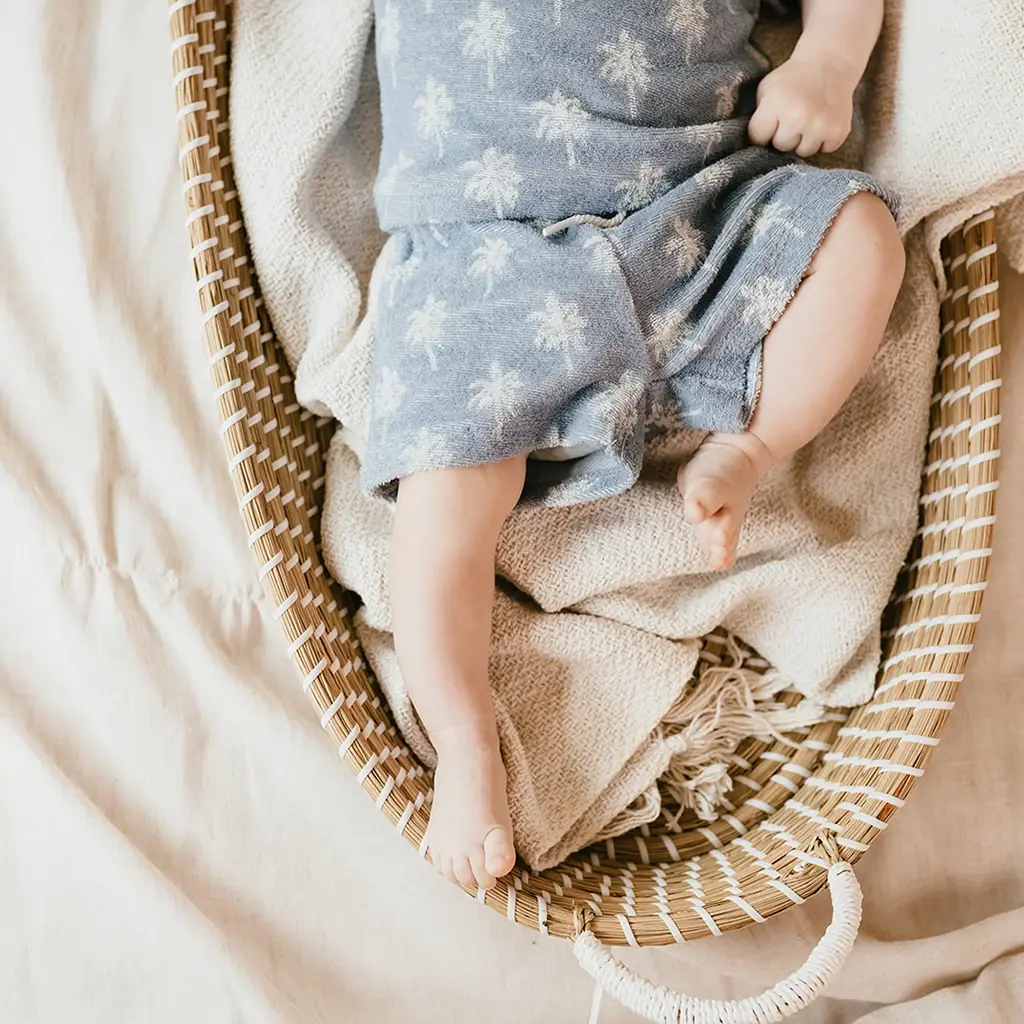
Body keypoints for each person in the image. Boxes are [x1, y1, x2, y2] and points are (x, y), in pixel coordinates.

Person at [364, 0, 905, 891]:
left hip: (692, 212)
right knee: (443, 509)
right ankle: (465, 745)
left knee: (861, 239)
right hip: (485, 262)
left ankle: (751, 445)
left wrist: (828, 61)